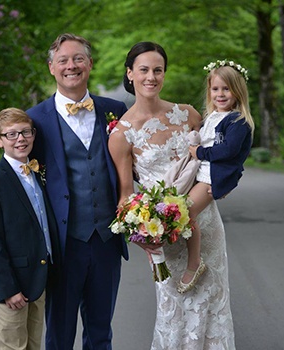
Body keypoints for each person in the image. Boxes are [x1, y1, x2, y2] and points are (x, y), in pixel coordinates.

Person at [108, 42, 235, 349]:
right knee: (175, 310)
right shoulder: (121, 134)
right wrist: (142, 236)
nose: (151, 77)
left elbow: (214, 160)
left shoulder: (189, 115)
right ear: (130, 74)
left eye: (158, 70)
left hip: (206, 224)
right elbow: (126, 196)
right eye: (144, 70)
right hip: (164, 234)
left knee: (214, 303)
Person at [26, 33, 129, 350]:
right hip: (62, 244)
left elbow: (139, 162)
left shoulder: (115, 110)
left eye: (78, 59)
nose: (71, 66)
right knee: (59, 333)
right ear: (51, 68)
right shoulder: (34, 120)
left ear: (90, 64)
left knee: (101, 331)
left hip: (106, 240)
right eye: (63, 60)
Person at [0, 107, 60, 350]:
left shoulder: (37, 174)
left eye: (25, 132)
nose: (20, 139)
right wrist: (8, 289)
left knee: (33, 345)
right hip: (10, 288)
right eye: (11, 134)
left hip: (37, 279)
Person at [177, 60, 255, 294]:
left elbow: (230, 153)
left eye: (226, 89)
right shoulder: (210, 116)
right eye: (215, 89)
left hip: (210, 178)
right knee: (175, 205)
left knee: (186, 211)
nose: (220, 94)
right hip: (198, 173)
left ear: (237, 91)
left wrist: (199, 152)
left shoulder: (237, 121)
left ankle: (194, 263)